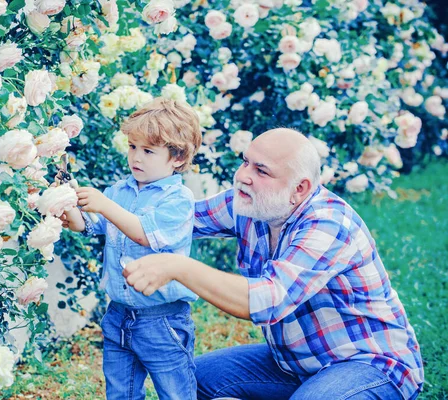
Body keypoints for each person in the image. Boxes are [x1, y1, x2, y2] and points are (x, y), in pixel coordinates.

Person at [123, 128, 424, 399]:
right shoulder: (250, 202)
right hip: (295, 364)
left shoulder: (328, 224)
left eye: (262, 171)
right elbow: (165, 224)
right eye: (245, 162)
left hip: (370, 366)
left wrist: (178, 267)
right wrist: (88, 213)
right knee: (190, 380)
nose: (243, 175)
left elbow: (267, 300)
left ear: (300, 189)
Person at [62, 97, 203, 400]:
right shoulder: (120, 191)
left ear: (177, 158)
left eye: (148, 151)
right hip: (119, 314)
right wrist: (68, 201)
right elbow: (86, 225)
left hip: (162, 319)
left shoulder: (178, 200)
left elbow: (143, 235)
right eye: (132, 147)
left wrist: (104, 204)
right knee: (120, 391)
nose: (136, 157)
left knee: (175, 391)